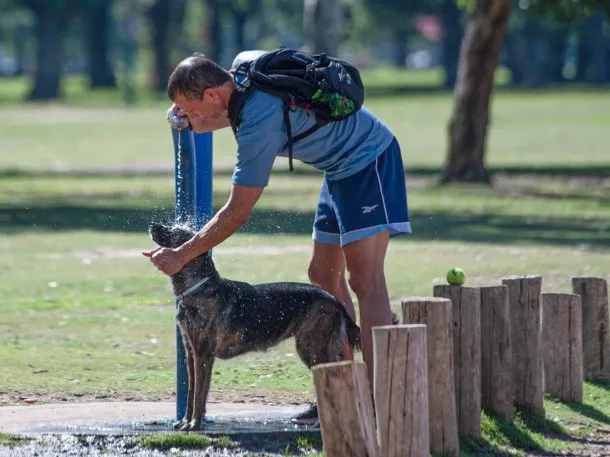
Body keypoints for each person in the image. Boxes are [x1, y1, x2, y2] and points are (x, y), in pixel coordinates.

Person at [143, 50, 412, 425]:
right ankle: (343, 389)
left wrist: (182, 255)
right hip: (337, 169)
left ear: (210, 96)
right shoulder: (240, 72)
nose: (186, 116)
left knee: (365, 281)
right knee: (322, 275)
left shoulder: (256, 125)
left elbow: (237, 212)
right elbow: (223, 116)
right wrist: (194, 122)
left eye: (188, 108)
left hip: (369, 159)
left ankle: (385, 396)